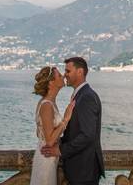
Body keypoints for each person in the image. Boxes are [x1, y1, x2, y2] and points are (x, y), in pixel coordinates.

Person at [40, 57, 105, 185]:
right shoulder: (81, 95)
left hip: (84, 171)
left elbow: (87, 135)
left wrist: (60, 150)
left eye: (68, 71)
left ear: (80, 72)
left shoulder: (86, 97)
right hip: (79, 170)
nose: (65, 75)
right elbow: (74, 132)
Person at [29, 66, 75, 185]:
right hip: (46, 159)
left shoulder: (49, 102)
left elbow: (39, 132)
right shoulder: (47, 106)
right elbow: (49, 140)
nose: (63, 76)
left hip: (49, 157)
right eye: (59, 75)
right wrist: (66, 119)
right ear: (51, 83)